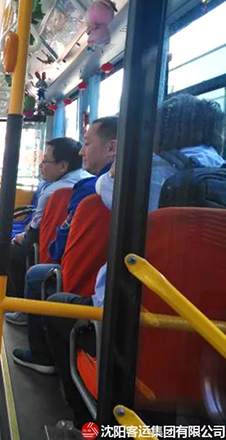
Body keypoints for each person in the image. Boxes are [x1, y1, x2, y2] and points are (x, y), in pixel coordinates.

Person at [43, 94, 225, 428]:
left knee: (56, 307)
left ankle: (87, 422)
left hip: (134, 328)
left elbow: (103, 188)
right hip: (213, 351)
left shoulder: (142, 175)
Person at [8, 117, 118, 374]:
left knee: (32, 269)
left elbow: (59, 243)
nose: (82, 152)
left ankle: (41, 352)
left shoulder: (88, 190)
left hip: (86, 281)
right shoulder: (145, 188)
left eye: (87, 144)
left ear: (112, 148)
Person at [6, 137, 91, 299]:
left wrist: (22, 237)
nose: (41, 165)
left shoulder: (52, 192)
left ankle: (17, 302)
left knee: (10, 250)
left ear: (63, 166)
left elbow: (33, 232)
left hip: (51, 252)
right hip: (82, 257)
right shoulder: (91, 184)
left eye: (45, 161)